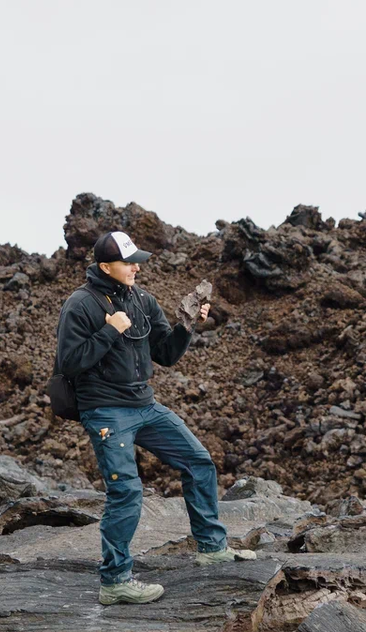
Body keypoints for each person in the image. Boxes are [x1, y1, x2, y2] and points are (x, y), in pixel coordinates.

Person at [55, 230, 256, 605]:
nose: (136, 268)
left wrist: (187, 325)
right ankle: (115, 581)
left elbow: (165, 354)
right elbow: (68, 363)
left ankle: (212, 548)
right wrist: (109, 330)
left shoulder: (142, 300)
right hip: (105, 410)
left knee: (198, 461)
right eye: (128, 263)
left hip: (144, 405)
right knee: (126, 492)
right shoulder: (80, 304)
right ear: (105, 267)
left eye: (137, 262)